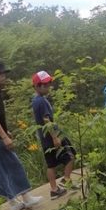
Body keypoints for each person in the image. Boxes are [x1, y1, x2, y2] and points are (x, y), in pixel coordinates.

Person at [0, 60, 41, 210]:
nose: (3, 76)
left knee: (2, 169)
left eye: (4, 73)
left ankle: (13, 202)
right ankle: (26, 198)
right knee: (14, 166)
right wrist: (4, 137)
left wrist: (5, 131)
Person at [31, 71, 75, 199]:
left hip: (44, 139)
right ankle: (66, 180)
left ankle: (54, 189)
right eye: (45, 85)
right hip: (52, 137)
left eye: (49, 84)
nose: (48, 87)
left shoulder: (35, 100)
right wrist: (55, 137)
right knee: (71, 156)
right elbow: (46, 120)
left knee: (51, 165)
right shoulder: (42, 102)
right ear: (37, 86)